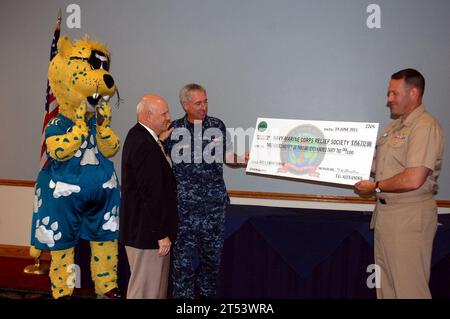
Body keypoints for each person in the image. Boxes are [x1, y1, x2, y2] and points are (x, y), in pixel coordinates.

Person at [354, 68, 444, 299]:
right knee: (386, 290)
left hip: (409, 217)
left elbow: (414, 178)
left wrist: (375, 186)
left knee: (409, 290)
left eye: (394, 93)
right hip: (387, 215)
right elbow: (379, 166)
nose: (389, 100)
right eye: (388, 93)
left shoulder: (424, 126)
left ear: (413, 93)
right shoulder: (393, 127)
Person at [162, 83, 249, 299]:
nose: (204, 106)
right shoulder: (173, 130)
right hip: (184, 209)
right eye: (198, 103)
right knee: (182, 265)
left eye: (206, 101)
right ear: (185, 104)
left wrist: (242, 160)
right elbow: (159, 161)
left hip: (213, 208)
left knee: (211, 264)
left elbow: (226, 156)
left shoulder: (216, 125)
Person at [119, 94, 178, 299]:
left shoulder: (142, 138)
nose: (168, 117)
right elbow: (150, 194)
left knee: (154, 290)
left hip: (145, 232)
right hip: (147, 234)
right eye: (164, 113)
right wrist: (160, 234)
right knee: (145, 291)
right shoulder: (144, 144)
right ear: (147, 116)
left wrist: (159, 142)